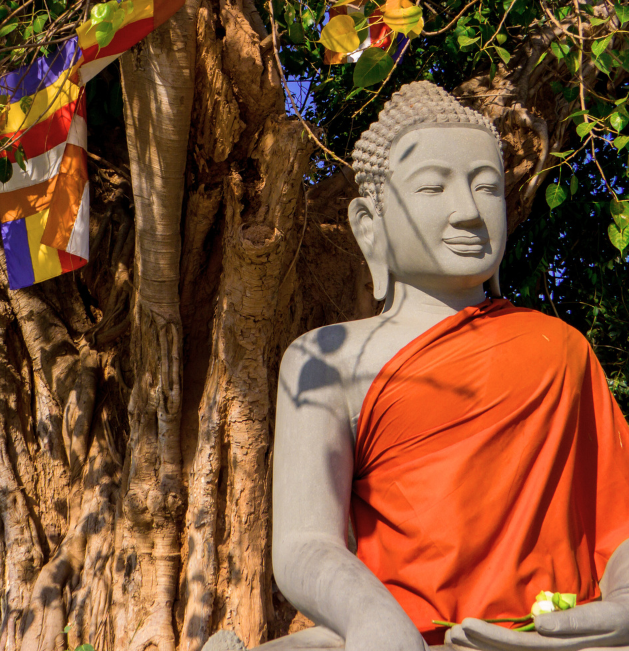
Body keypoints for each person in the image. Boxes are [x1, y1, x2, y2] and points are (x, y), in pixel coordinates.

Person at [205, 81, 629, 651]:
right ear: (368, 224)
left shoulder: (559, 347)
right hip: (404, 633)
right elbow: (306, 543)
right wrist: (375, 620)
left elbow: (618, 521)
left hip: (551, 633)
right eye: (433, 187)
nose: (469, 212)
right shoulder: (326, 358)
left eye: (487, 188)